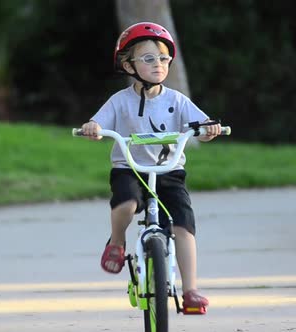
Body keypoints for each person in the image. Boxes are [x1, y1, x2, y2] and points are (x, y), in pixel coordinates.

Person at [80, 22, 222, 313]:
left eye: (163, 58)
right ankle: (117, 242)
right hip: (129, 169)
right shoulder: (119, 102)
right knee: (126, 204)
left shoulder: (177, 100)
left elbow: (202, 124)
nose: (158, 64)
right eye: (148, 58)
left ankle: (191, 290)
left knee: (183, 224)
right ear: (128, 65)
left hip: (169, 171)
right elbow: (99, 124)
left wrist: (209, 129)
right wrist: (93, 128)